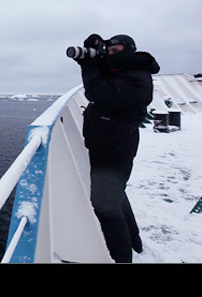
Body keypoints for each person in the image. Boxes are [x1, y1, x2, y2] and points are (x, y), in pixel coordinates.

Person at [74, 34, 160, 262]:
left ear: (129, 51)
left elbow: (98, 92)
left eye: (115, 51)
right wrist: (94, 53)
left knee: (105, 206)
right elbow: (106, 75)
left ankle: (121, 258)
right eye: (108, 51)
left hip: (115, 149)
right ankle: (134, 241)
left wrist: (89, 64)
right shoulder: (126, 70)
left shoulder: (137, 79)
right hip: (106, 145)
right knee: (115, 196)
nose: (110, 56)